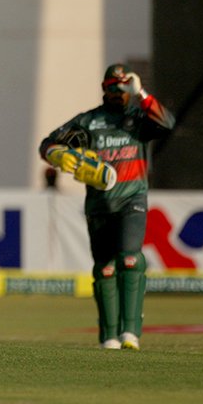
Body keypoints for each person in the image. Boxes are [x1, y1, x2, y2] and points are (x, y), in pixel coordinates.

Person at [39, 63, 175, 351]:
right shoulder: (90, 122)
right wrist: (58, 155)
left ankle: (131, 334)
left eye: (123, 87)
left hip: (132, 200)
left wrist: (143, 95)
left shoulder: (140, 119)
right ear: (103, 89)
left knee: (130, 259)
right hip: (99, 204)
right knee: (105, 269)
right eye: (112, 87)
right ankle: (109, 337)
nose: (117, 92)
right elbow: (48, 144)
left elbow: (168, 124)